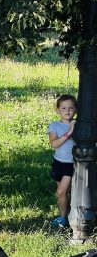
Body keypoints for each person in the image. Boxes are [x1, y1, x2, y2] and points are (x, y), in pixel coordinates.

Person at [48, 94, 77, 228]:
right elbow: (54, 144)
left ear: (75, 110)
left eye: (70, 108)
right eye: (64, 108)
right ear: (58, 110)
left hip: (70, 164)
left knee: (61, 191)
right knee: (63, 193)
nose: (67, 111)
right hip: (58, 163)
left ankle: (64, 218)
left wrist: (74, 129)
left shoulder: (77, 124)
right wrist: (68, 133)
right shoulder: (55, 126)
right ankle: (67, 214)